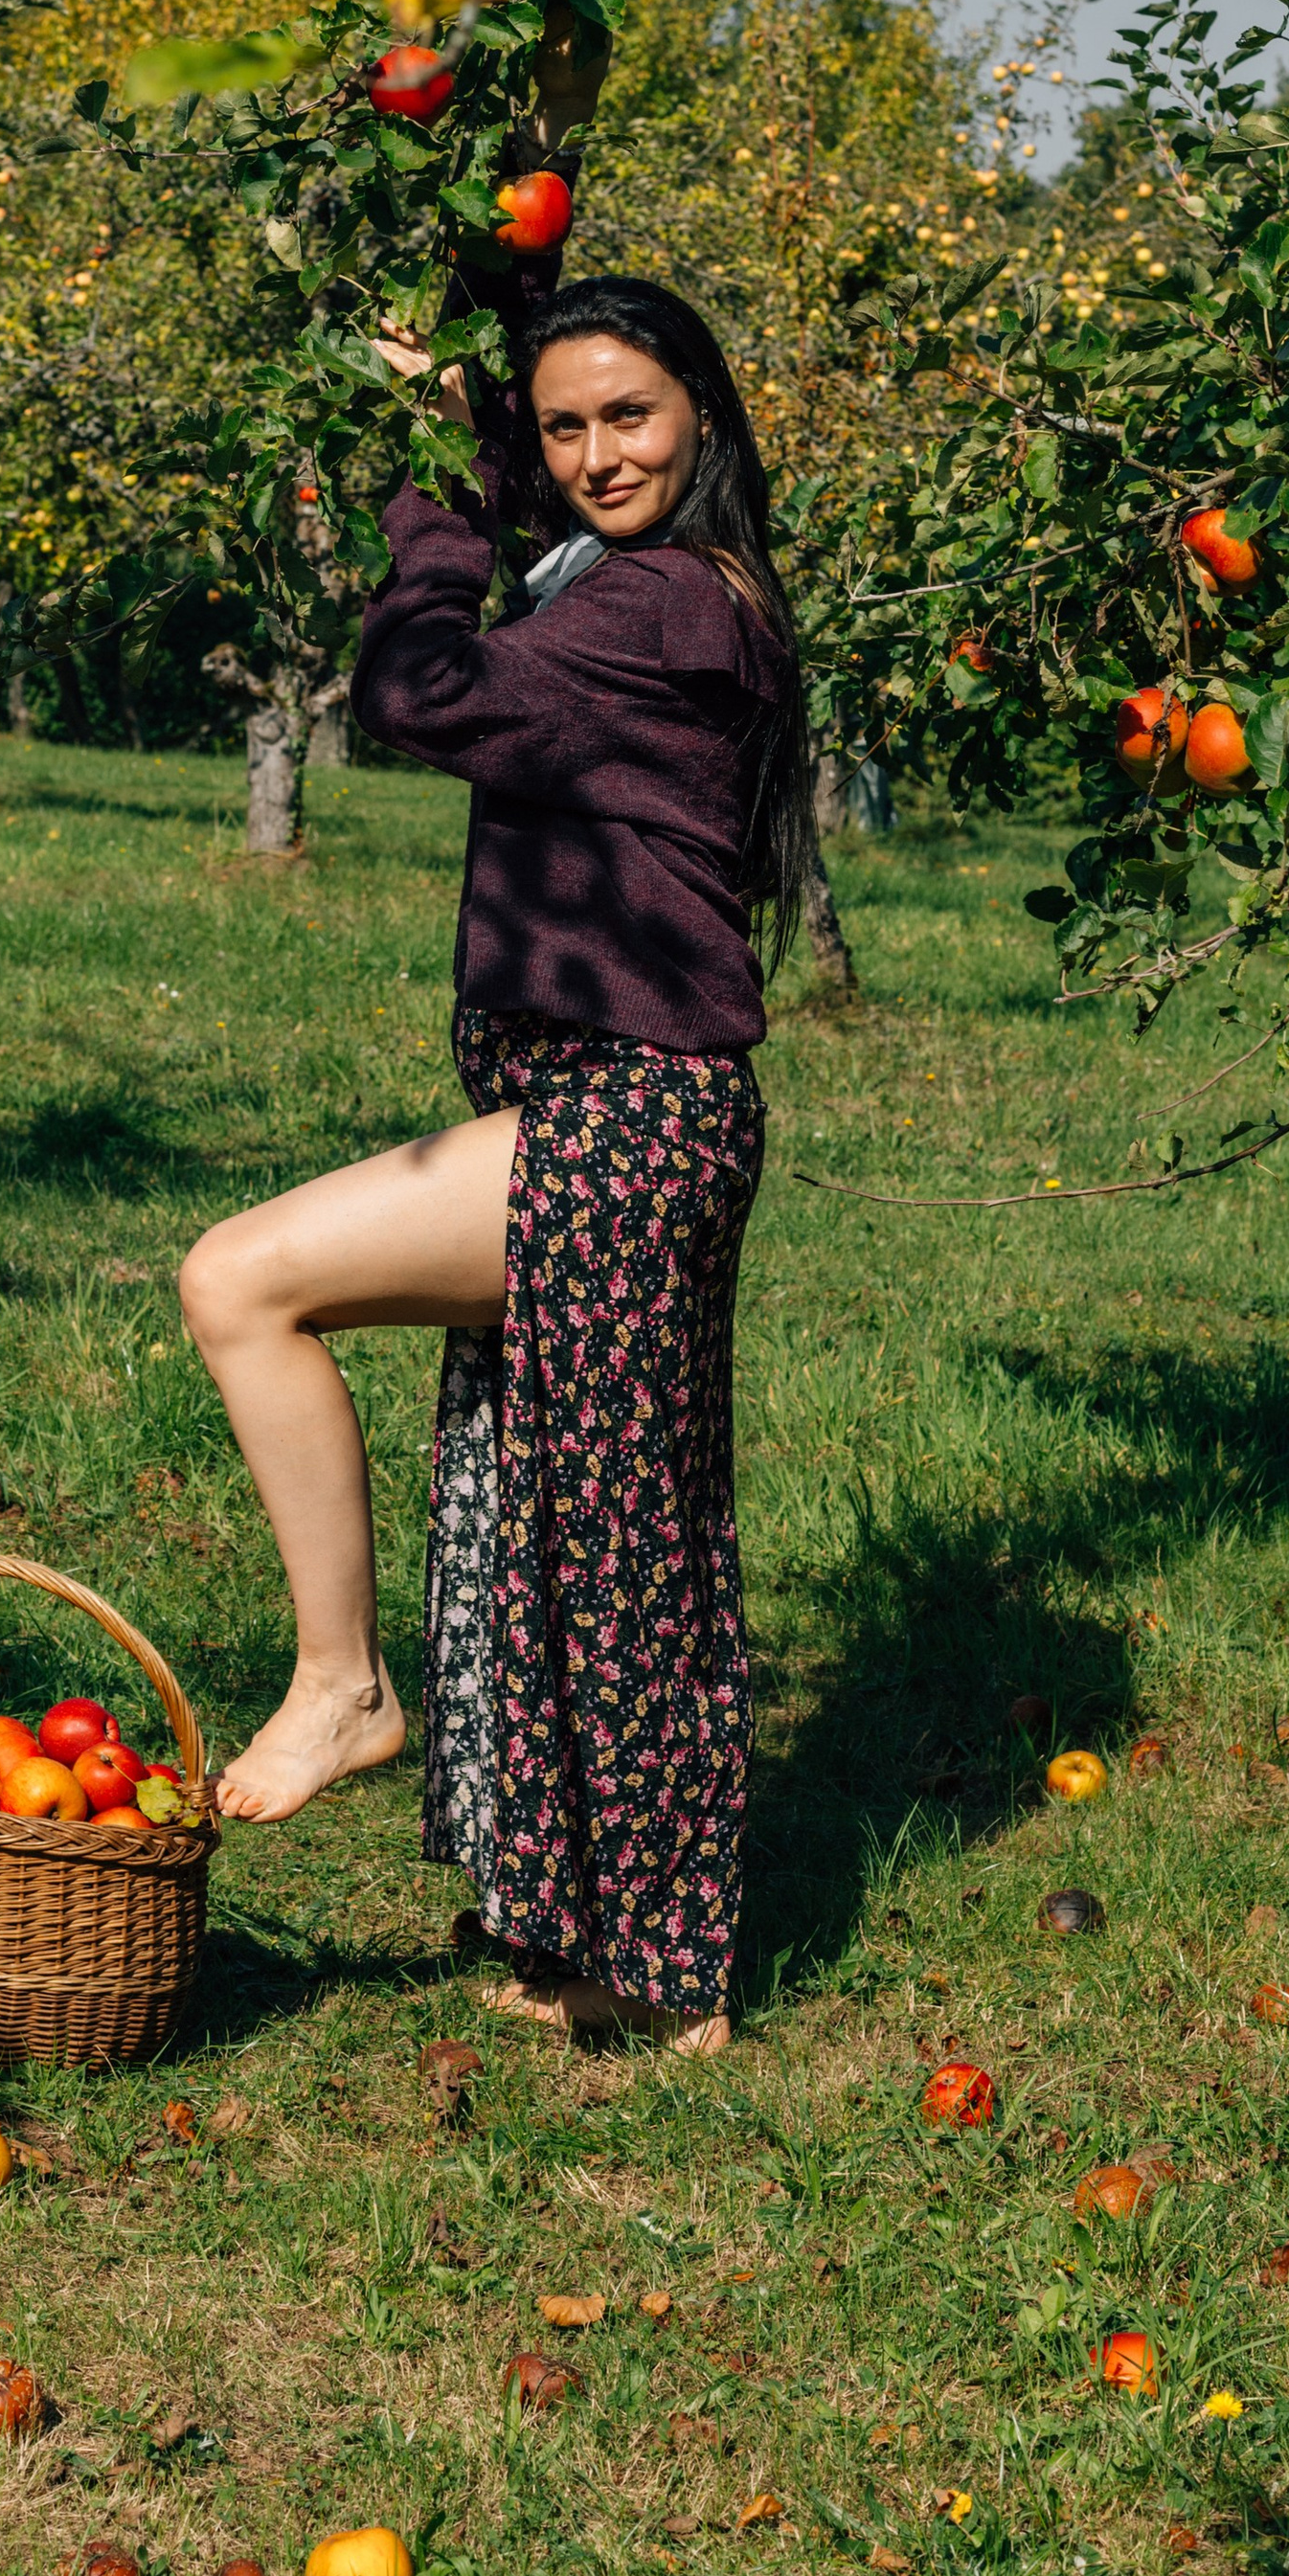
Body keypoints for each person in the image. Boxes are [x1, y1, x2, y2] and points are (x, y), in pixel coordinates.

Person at [175, 254, 809, 2051]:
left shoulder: (669, 605)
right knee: (555, 1519)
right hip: (595, 1107)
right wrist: (457, 373)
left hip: (632, 1119)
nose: (600, 454)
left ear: (704, 413)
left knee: (253, 1288)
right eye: (566, 425)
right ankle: (594, 1938)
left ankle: (348, 1687)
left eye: (634, 415)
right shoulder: (619, 575)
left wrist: (431, 512)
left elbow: (419, 690)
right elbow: (516, 525)